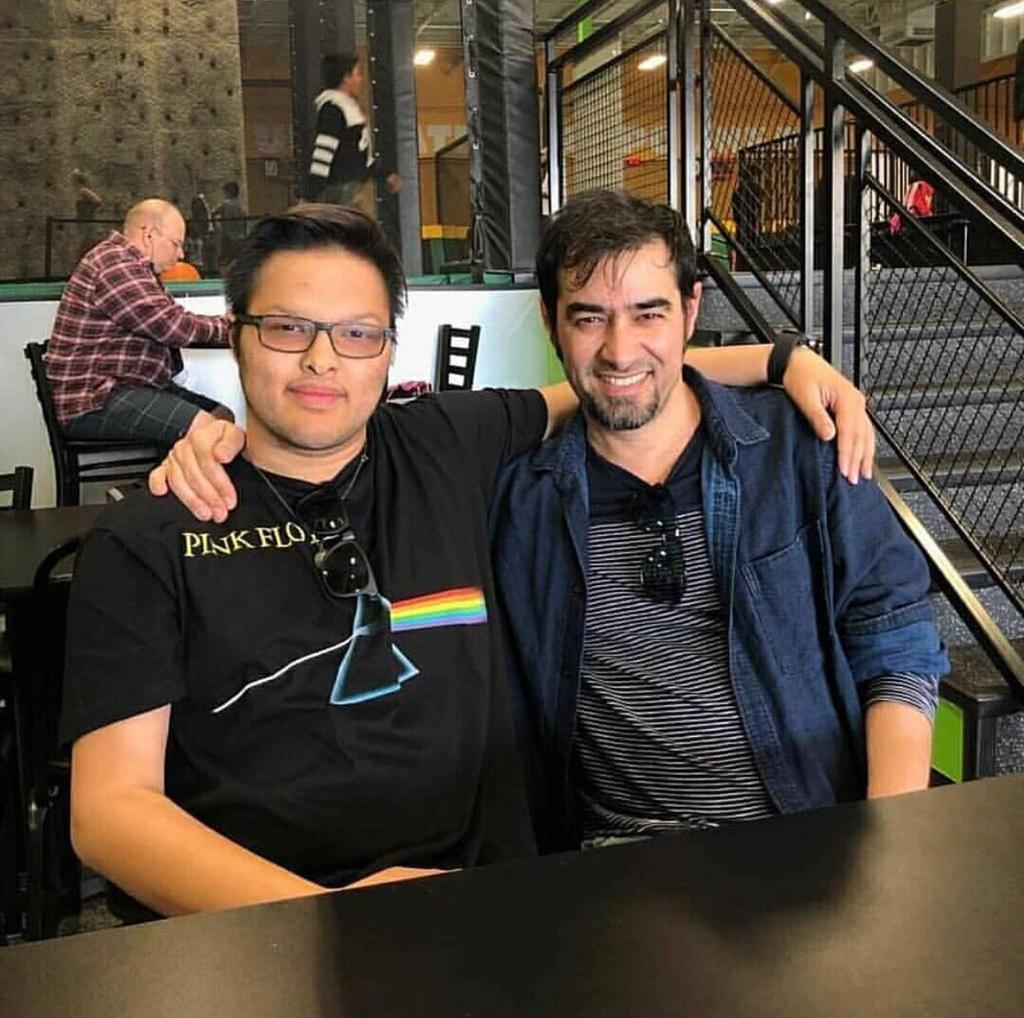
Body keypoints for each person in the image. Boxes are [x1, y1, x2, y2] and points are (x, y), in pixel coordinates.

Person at [64, 203, 871, 920]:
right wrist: (326, 920)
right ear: (236, 332)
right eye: (287, 328)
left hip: (494, 908)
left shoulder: (445, 444)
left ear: (388, 350)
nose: (321, 360)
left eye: (356, 334)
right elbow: (109, 812)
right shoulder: (149, 535)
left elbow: (613, 380)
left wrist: (782, 362)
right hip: (262, 929)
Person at [488, 190, 948, 852]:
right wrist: (779, 356)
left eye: (649, 314)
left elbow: (894, 636)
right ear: (550, 320)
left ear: (691, 309)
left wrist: (889, 840)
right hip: (615, 866)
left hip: (809, 844)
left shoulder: (799, 448)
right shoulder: (519, 501)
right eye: (589, 318)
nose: (620, 350)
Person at [45, 198, 234, 444]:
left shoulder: (134, 267)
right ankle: (173, 471)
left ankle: (176, 469)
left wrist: (226, 327)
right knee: (214, 432)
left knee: (223, 417)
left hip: (128, 388)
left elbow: (171, 317)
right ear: (150, 235)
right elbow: (170, 325)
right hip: (95, 397)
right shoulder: (115, 263)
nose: (181, 254)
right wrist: (233, 328)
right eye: (176, 244)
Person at [306, 53, 401, 217]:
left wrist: (386, 174)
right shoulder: (333, 109)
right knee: (354, 228)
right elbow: (323, 153)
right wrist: (309, 195)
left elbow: (360, 154)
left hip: (348, 189)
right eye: (357, 73)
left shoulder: (348, 109)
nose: (361, 79)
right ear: (346, 78)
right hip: (341, 190)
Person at [212, 180, 247, 272]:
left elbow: (213, 213)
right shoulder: (241, 206)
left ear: (228, 192)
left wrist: (216, 226)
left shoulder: (225, 204)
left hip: (228, 236)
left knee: (225, 259)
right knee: (238, 258)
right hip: (240, 237)